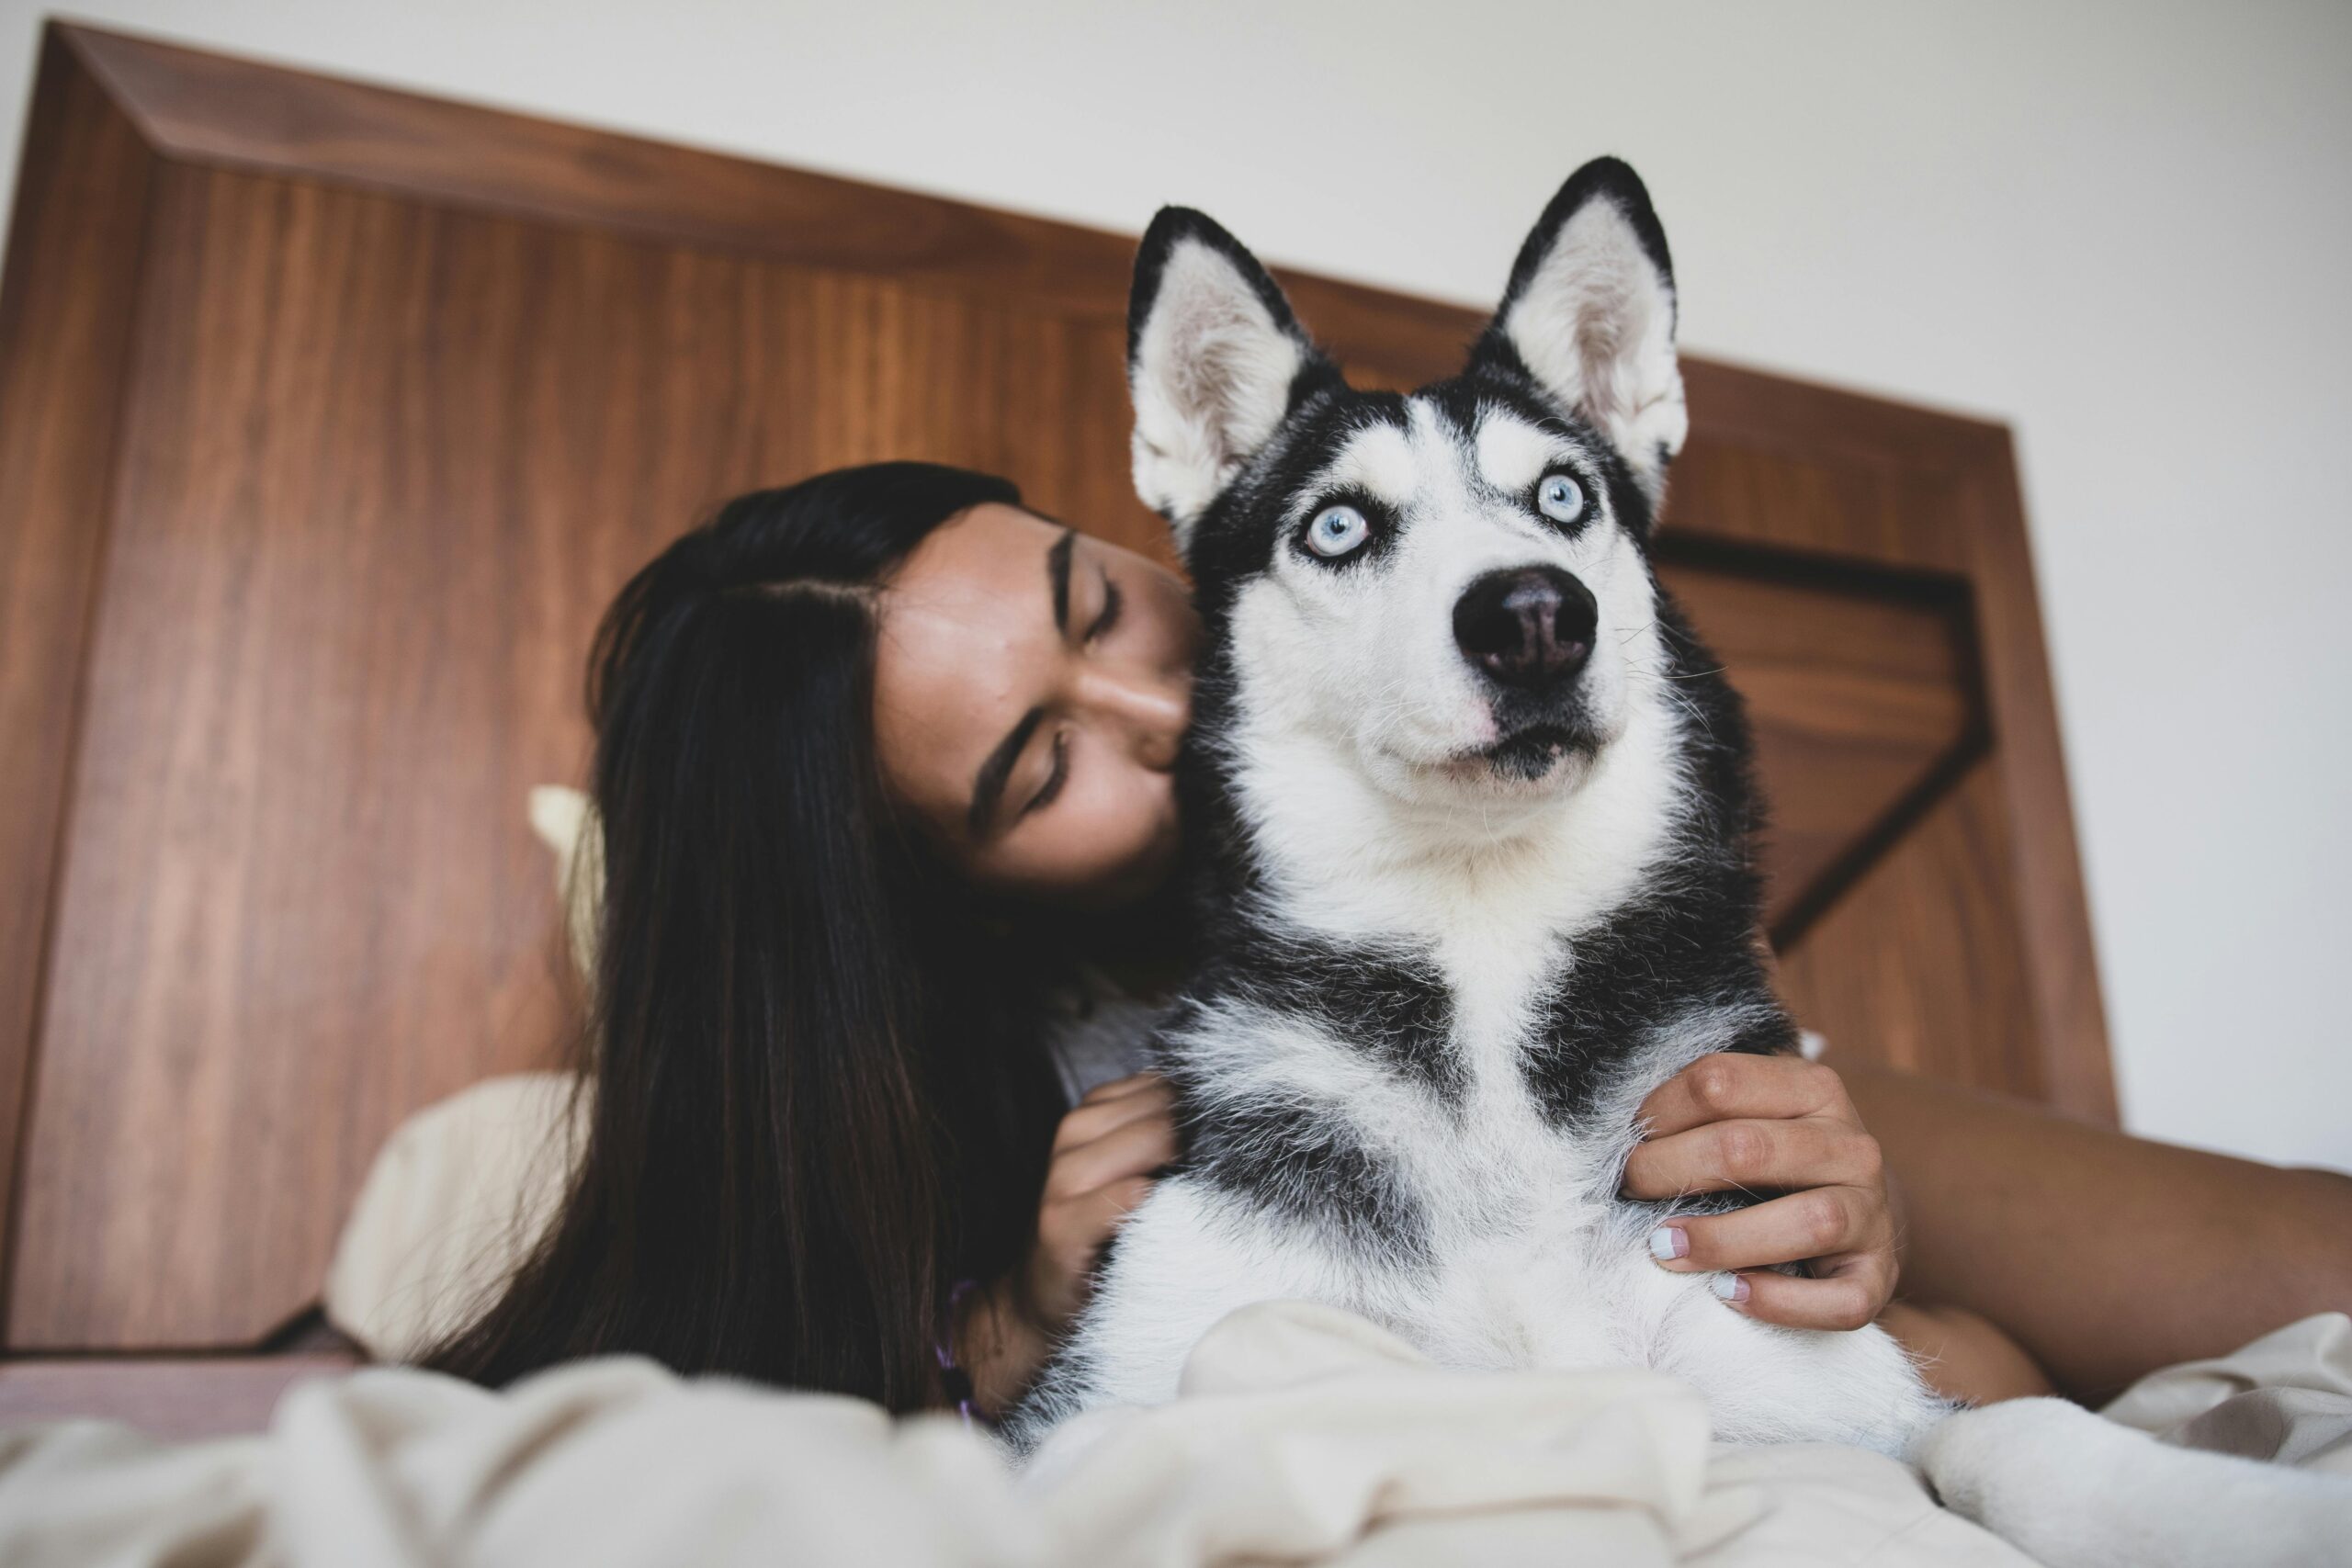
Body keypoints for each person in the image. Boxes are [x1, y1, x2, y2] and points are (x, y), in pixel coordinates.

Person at [426, 463, 2352, 1419]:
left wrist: (1850, 1236)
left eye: (1100, 607)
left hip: (1668, 1075)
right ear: (930, 898)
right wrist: (995, 1331)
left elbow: (1973, 1377)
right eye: (1036, 764)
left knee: (2302, 1254)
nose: (1162, 717)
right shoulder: (1008, 1147)